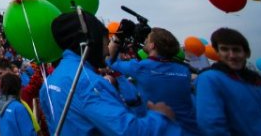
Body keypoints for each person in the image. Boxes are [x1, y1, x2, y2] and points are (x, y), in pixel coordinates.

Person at [42, 9, 182, 135]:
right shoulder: (88, 83)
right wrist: (160, 116)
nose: (108, 50)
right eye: (104, 43)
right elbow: (130, 132)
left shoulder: (51, 80)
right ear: (92, 42)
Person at [194, 27, 261, 136]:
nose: (231, 55)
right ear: (217, 53)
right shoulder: (210, 79)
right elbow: (212, 124)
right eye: (224, 49)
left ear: (247, 53)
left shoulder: (258, 82)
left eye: (236, 50)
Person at [106, 27, 198, 134]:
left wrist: (117, 39)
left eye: (147, 39)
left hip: (164, 130)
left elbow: (109, 61)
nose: (144, 41)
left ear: (152, 45)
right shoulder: (184, 71)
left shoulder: (141, 68)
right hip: (192, 130)